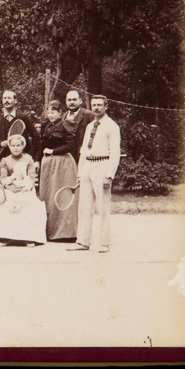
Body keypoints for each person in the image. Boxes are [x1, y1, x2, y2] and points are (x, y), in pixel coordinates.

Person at [68, 95, 121, 253]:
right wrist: (80, 172)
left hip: (102, 165)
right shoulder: (90, 125)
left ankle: (104, 243)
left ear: (106, 106)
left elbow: (115, 152)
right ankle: (83, 241)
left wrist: (109, 175)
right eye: (94, 105)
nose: (96, 108)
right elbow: (84, 150)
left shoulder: (112, 126)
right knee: (84, 207)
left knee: (102, 207)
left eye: (99, 105)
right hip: (88, 167)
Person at [37, 100, 79, 241]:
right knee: (48, 196)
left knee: (63, 196)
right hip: (48, 164)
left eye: (53, 112)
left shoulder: (67, 123)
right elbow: (41, 144)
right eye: (48, 112)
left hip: (63, 163)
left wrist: (53, 151)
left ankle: (66, 233)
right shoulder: (47, 125)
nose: (50, 115)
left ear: (61, 112)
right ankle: (50, 232)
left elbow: (70, 146)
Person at [0, 135, 47, 247]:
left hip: (25, 188)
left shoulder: (28, 159)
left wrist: (25, 187)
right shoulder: (5, 160)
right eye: (13, 145)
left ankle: (29, 237)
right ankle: (6, 237)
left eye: (18, 145)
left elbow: (31, 177)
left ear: (23, 146)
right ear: (9, 146)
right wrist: (8, 187)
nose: (16, 148)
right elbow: (3, 177)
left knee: (29, 207)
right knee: (7, 206)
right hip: (10, 188)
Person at [0, 90, 36, 159]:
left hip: (21, 158)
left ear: (15, 101)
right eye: (4, 98)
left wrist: (30, 155)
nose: (6, 101)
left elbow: (36, 137)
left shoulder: (23, 117)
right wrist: (0, 143)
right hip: (3, 159)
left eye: (9, 98)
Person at [63, 90, 96, 163]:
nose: (71, 102)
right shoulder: (63, 117)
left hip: (83, 157)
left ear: (80, 101)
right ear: (66, 102)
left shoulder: (89, 115)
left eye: (74, 99)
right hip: (67, 158)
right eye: (69, 100)